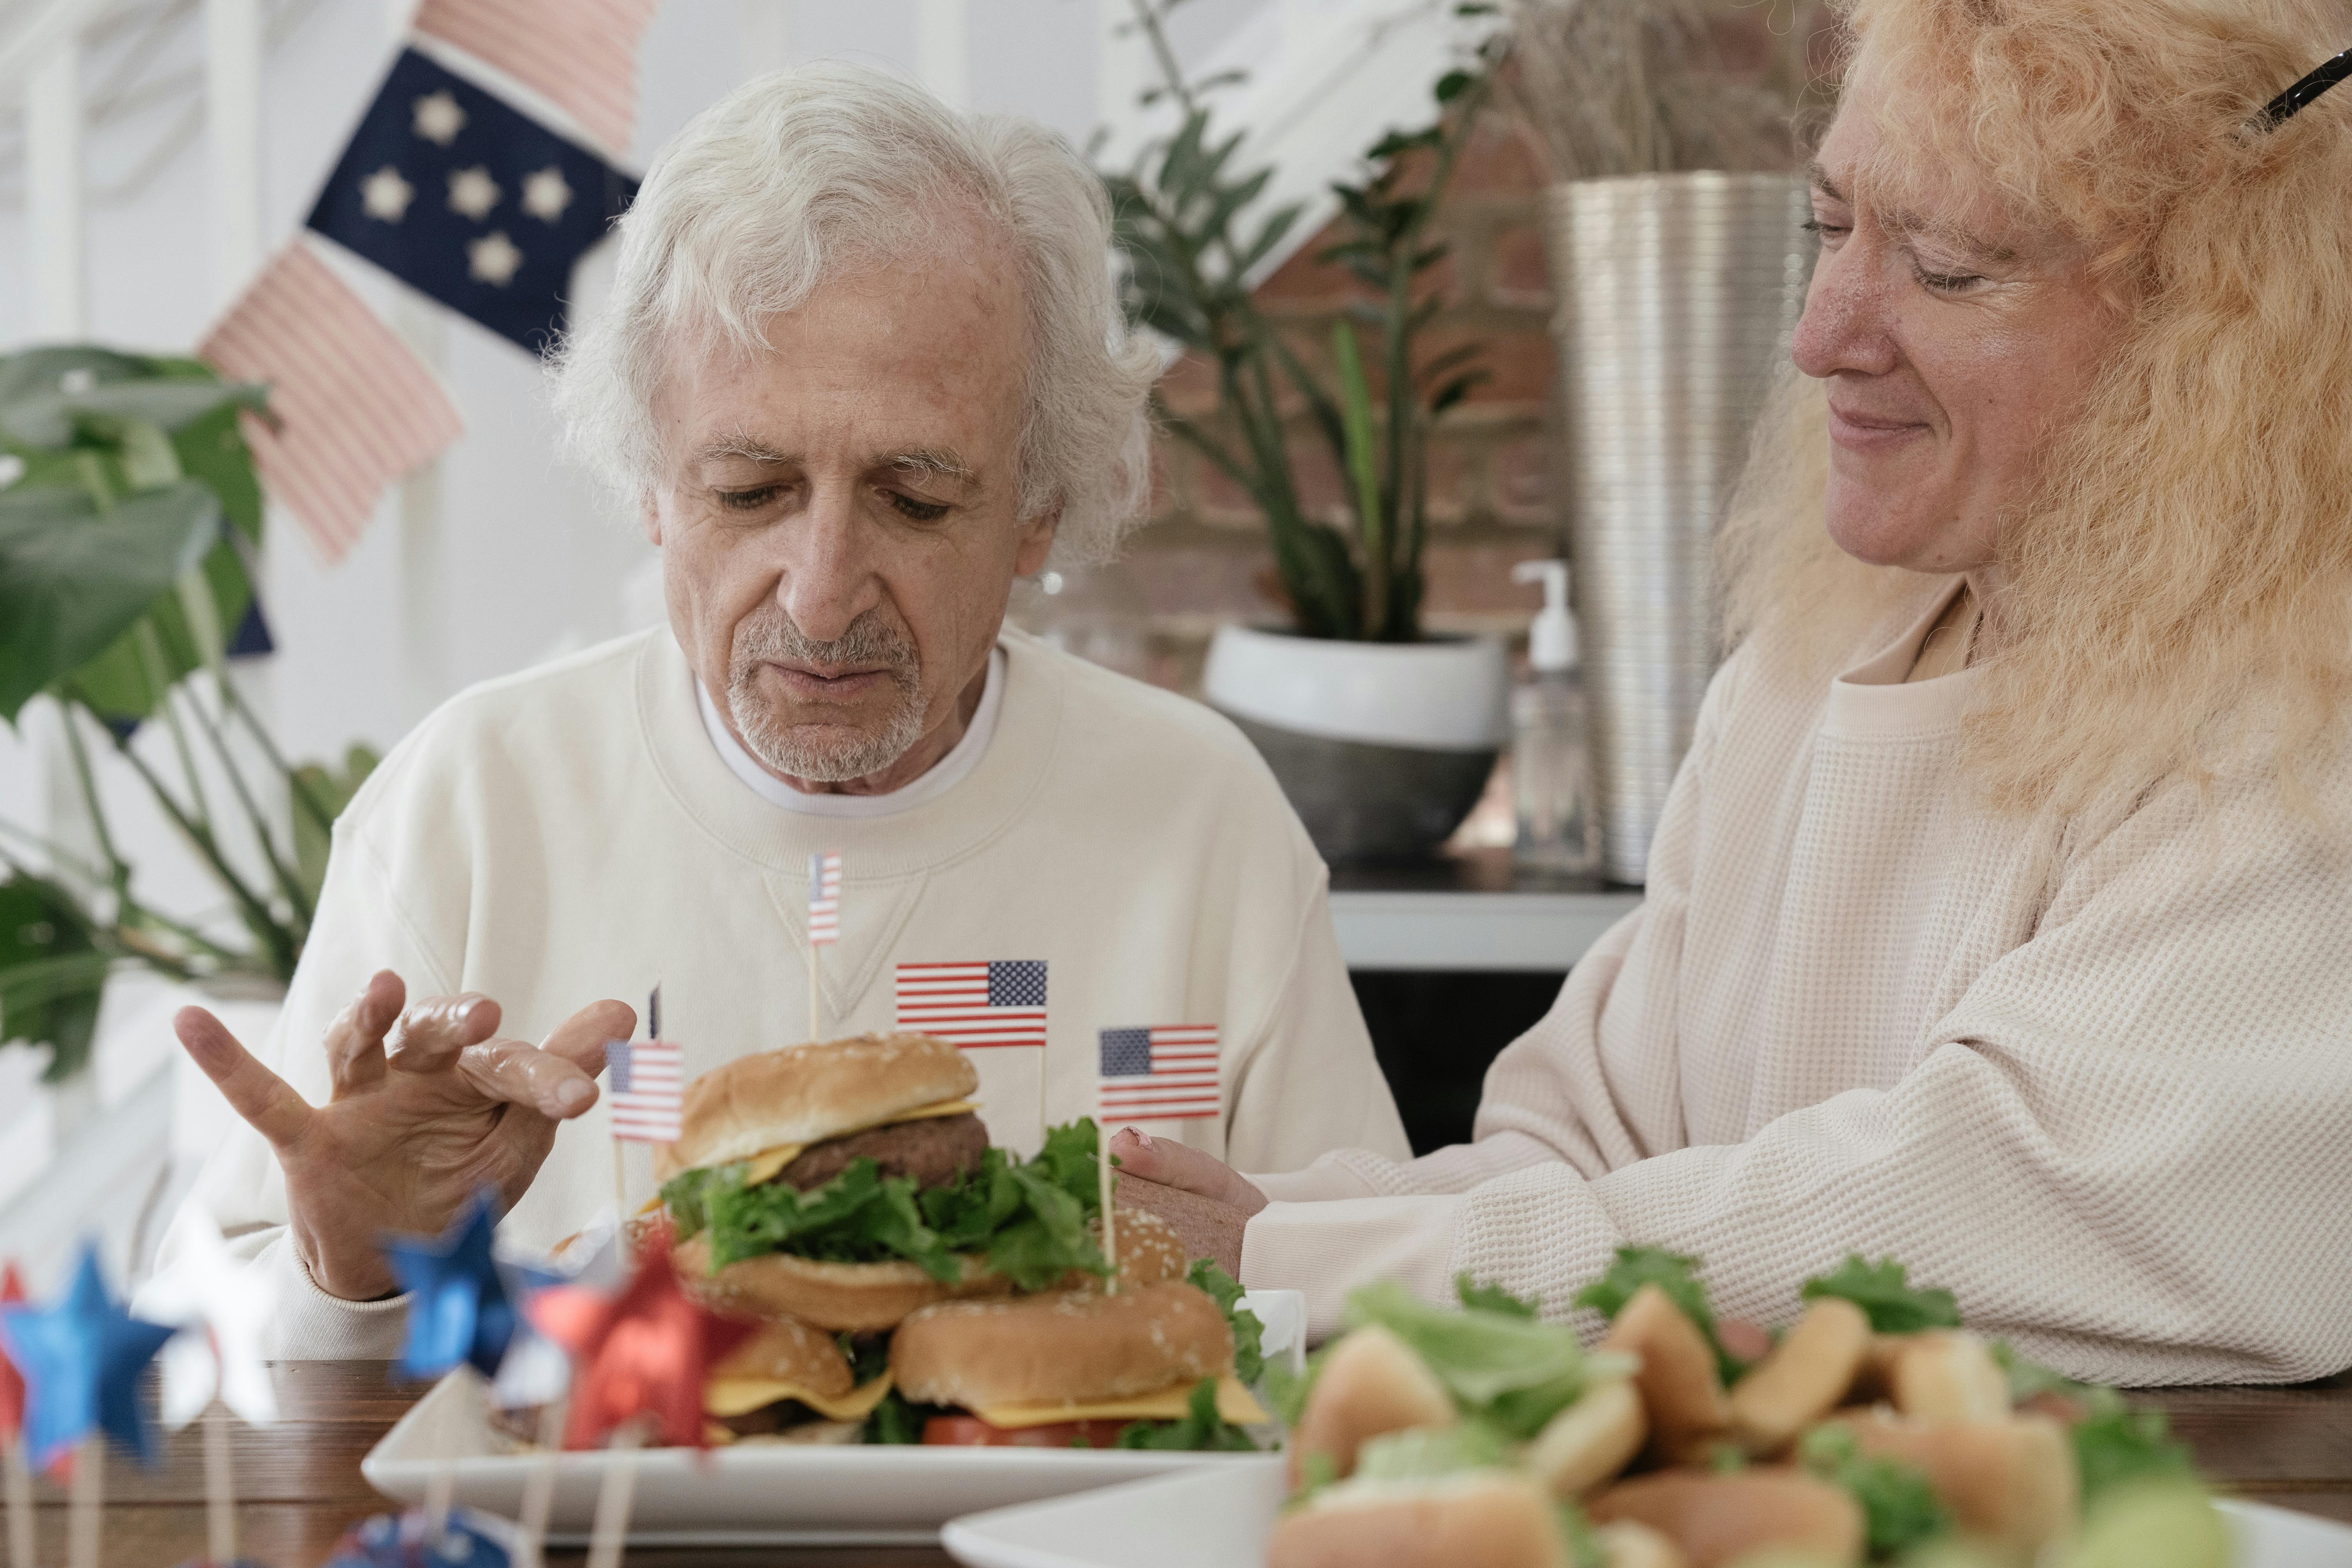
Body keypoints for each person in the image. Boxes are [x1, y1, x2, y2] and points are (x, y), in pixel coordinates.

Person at [1111, 0, 2352, 1386]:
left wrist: (1310, 1261)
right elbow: (1585, 1148)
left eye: (1946, 270)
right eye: (1831, 230)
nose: (1823, 335)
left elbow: (1979, 1206)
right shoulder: (1801, 668)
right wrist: (1274, 1226)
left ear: (2217, 327)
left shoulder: (2306, 721)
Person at [159, 64, 1406, 1354]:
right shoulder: (475, 800)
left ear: (1040, 510)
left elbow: (1377, 1305)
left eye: (916, 501)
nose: (818, 599)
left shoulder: (1201, 815)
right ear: (651, 488)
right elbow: (206, 1342)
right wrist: (355, 1272)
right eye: (750, 491)